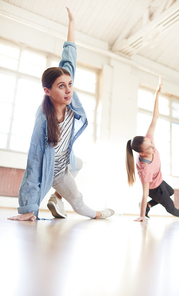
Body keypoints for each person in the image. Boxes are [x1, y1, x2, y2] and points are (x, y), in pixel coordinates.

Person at [8, 8, 114, 221]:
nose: (68, 90)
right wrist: (28, 209)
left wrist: (72, 24)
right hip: (56, 171)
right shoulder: (43, 120)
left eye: (70, 85)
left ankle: (56, 198)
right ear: (47, 91)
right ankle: (100, 213)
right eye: (61, 86)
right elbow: (33, 164)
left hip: (67, 159)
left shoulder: (69, 98)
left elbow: (69, 59)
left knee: (80, 162)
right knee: (79, 203)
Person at [126, 77, 179, 222]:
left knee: (170, 191)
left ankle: (148, 206)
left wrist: (157, 93)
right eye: (149, 147)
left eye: (151, 142)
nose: (153, 146)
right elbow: (145, 193)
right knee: (172, 208)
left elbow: (155, 117)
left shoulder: (149, 141)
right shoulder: (144, 170)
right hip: (154, 189)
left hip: (160, 181)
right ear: (141, 153)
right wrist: (141, 216)